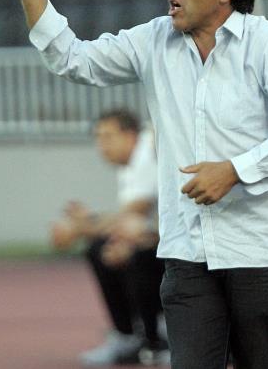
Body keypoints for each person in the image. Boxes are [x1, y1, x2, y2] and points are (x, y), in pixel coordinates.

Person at [7, 0, 268, 369]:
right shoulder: (153, 40)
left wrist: (235, 170)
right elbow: (73, 59)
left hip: (262, 253)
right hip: (185, 254)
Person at [50, 109, 167, 366]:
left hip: (191, 245)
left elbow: (135, 212)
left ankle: (157, 335)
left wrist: (79, 228)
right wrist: (89, 224)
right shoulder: (130, 163)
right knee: (104, 247)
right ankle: (130, 335)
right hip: (167, 237)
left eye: (108, 137)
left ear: (131, 136)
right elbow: (129, 219)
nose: (101, 146)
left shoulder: (146, 154)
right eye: (98, 138)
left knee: (133, 252)